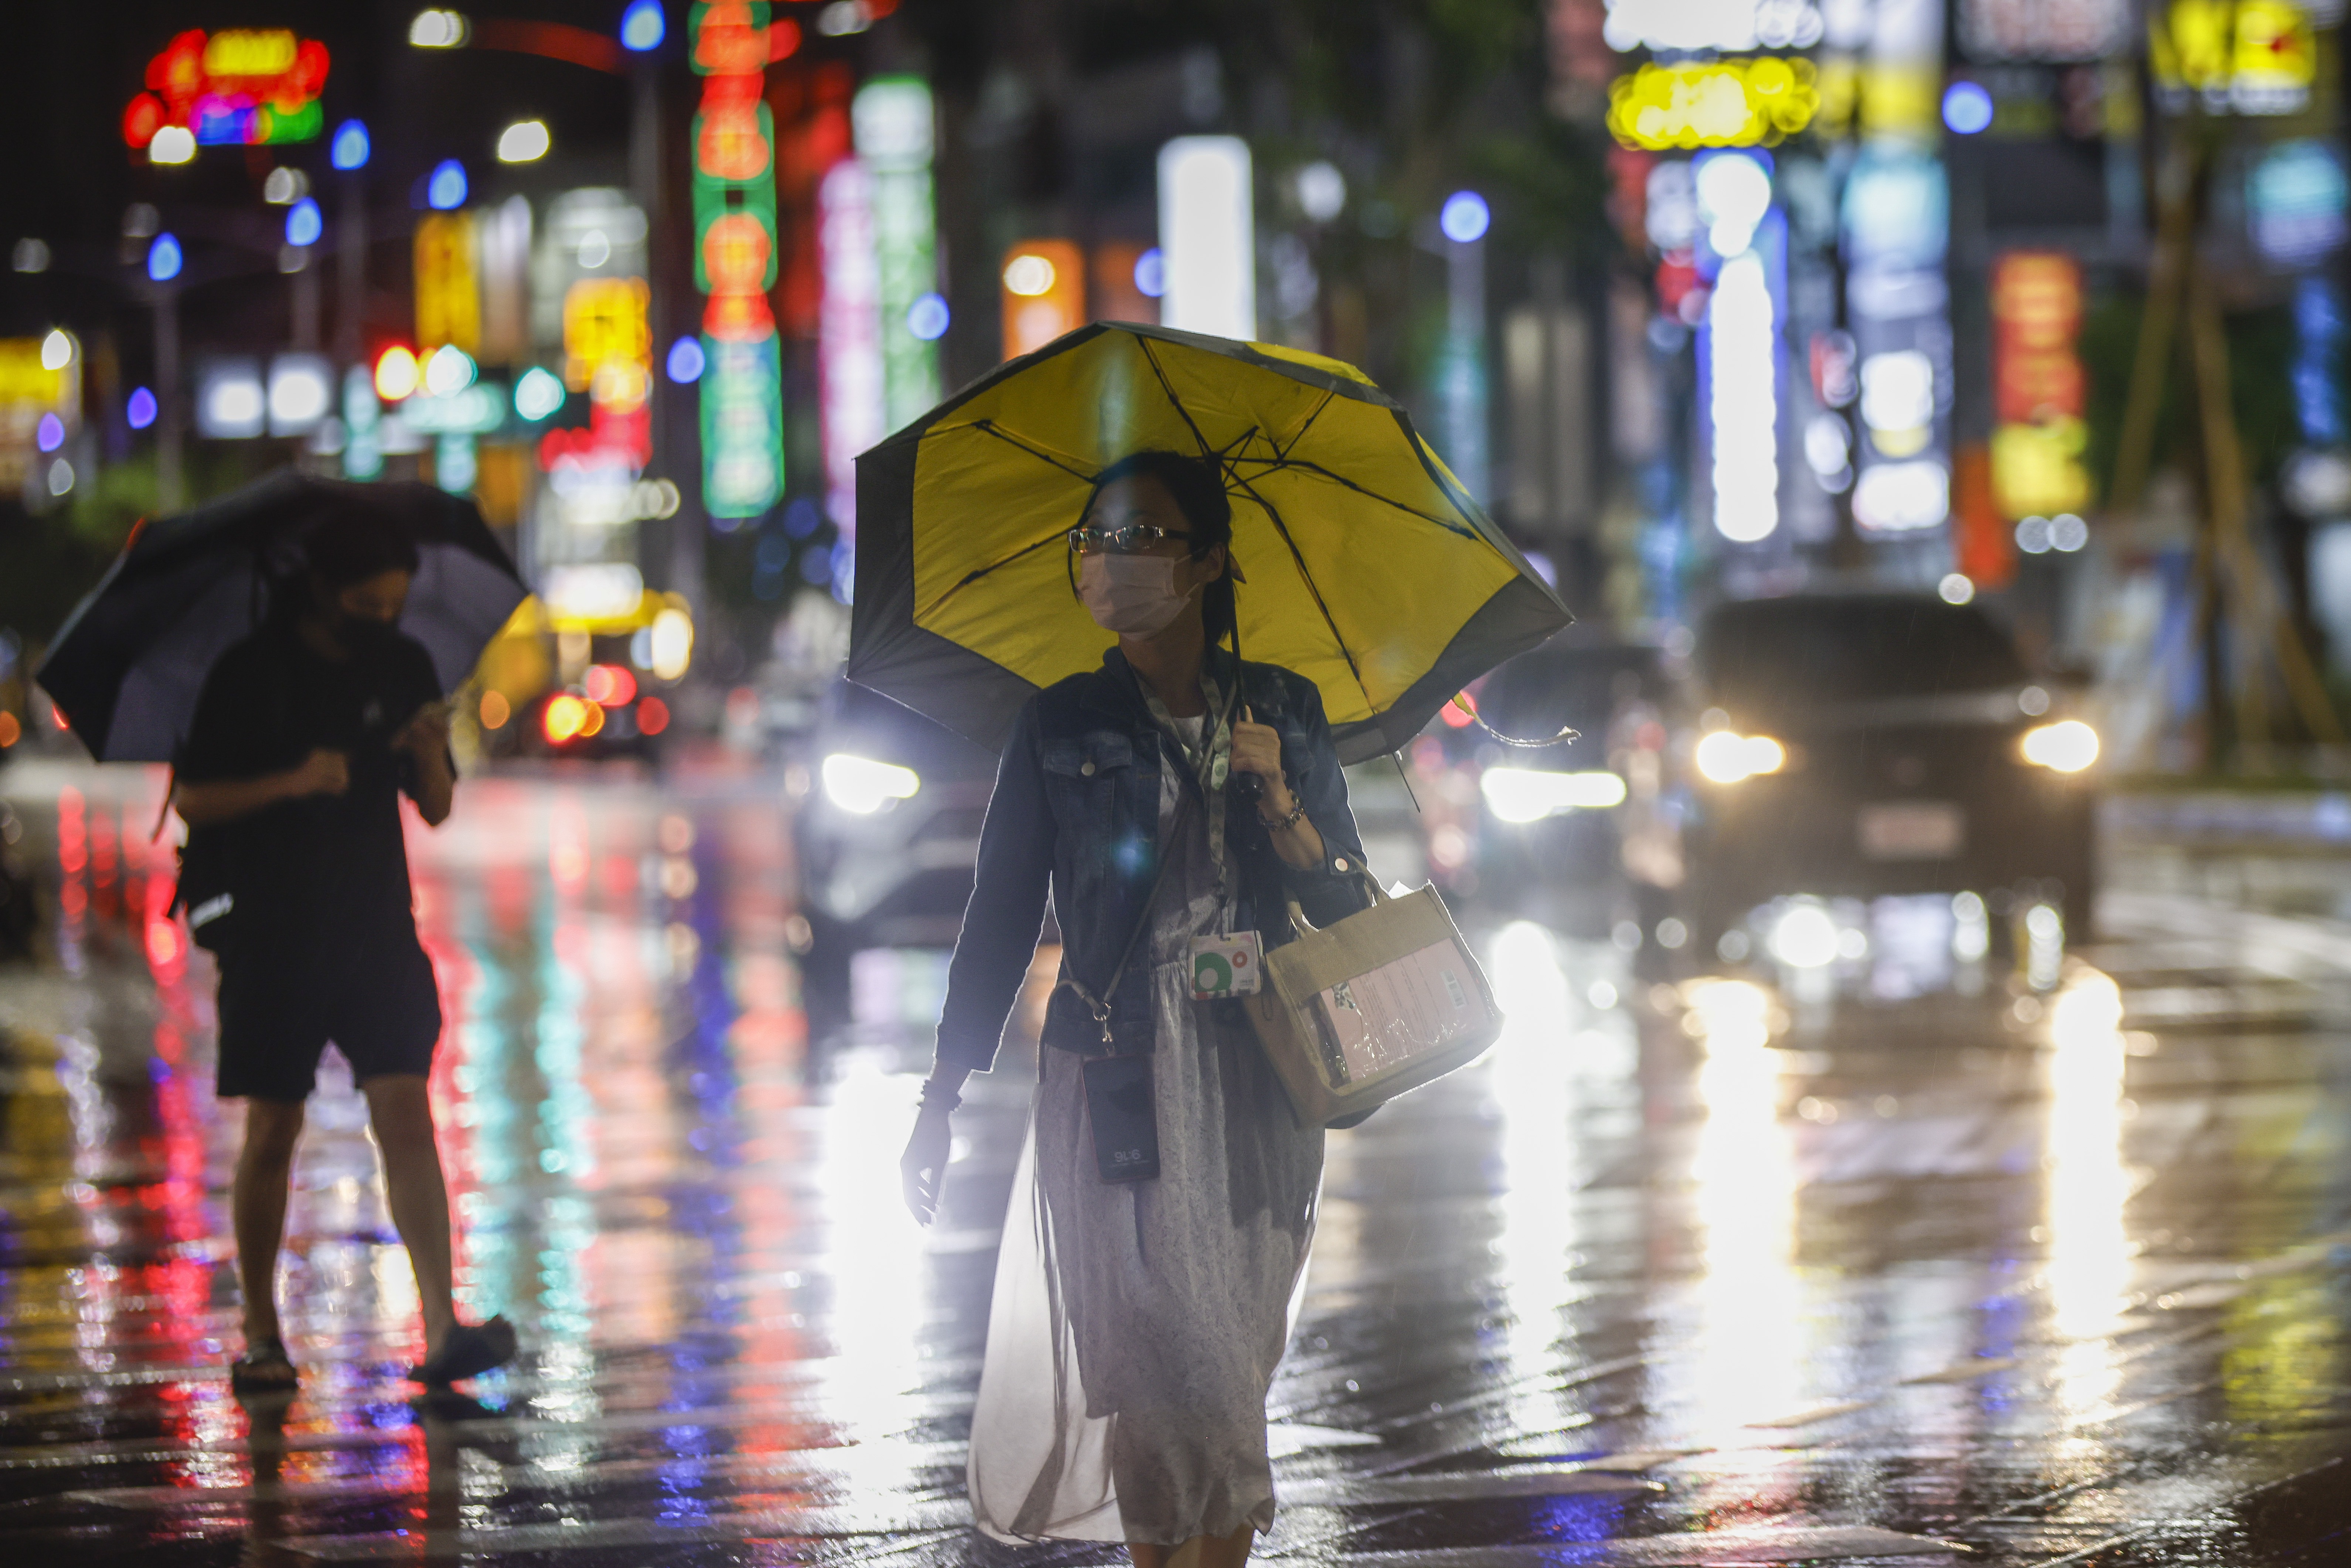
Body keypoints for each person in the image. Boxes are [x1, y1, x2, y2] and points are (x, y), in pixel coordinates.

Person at [901, 450, 1374, 1563]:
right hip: (1114, 1069)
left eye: (1148, 536)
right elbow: (998, 917)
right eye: (1100, 540)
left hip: (1254, 1070)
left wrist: (1280, 797)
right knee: (1156, 1365)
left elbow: (1345, 895)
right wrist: (941, 1092)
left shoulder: (1284, 712)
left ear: (1210, 560)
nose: (1116, 563)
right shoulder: (1058, 724)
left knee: (1220, 1372)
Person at [174, 511, 514, 1394]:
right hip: (273, 934)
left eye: (394, 605)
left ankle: (442, 1324)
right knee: (273, 1127)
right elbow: (195, 799)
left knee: (406, 1111)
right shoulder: (250, 672)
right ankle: (261, 1334)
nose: (381, 618)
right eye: (366, 601)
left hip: (375, 925)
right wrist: (294, 779)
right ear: (322, 589)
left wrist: (432, 754)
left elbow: (434, 807)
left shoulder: (402, 666)